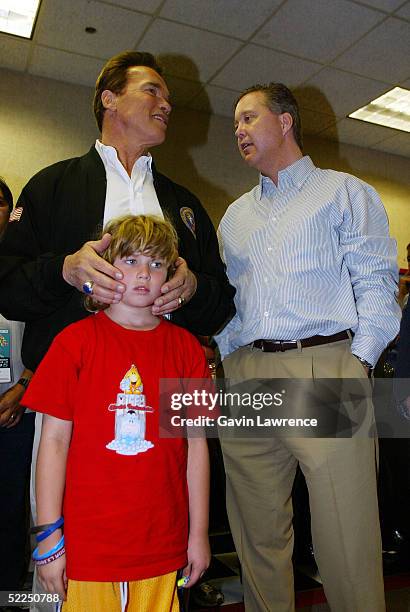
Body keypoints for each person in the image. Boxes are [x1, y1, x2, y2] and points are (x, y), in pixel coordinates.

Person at [215, 82, 400, 611]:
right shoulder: (235, 216)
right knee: (257, 533)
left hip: (325, 364)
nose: (239, 131)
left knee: (346, 534)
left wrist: (357, 360)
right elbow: (233, 300)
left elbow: (376, 283)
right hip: (248, 373)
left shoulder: (344, 192)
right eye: (235, 124)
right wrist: (231, 360)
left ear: (285, 121)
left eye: (249, 118)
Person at [22, 214, 211, 612]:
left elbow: (195, 448)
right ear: (106, 266)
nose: (143, 272)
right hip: (88, 546)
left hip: (162, 541)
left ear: (171, 274)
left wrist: (199, 534)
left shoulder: (186, 349)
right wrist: (48, 537)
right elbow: (53, 444)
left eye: (156, 263)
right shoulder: (73, 343)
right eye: (130, 260)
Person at [0, 177, 35, 599]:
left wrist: (24, 387)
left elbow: (46, 336)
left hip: (16, 409)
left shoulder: (29, 269)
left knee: (12, 508)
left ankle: (9, 592)